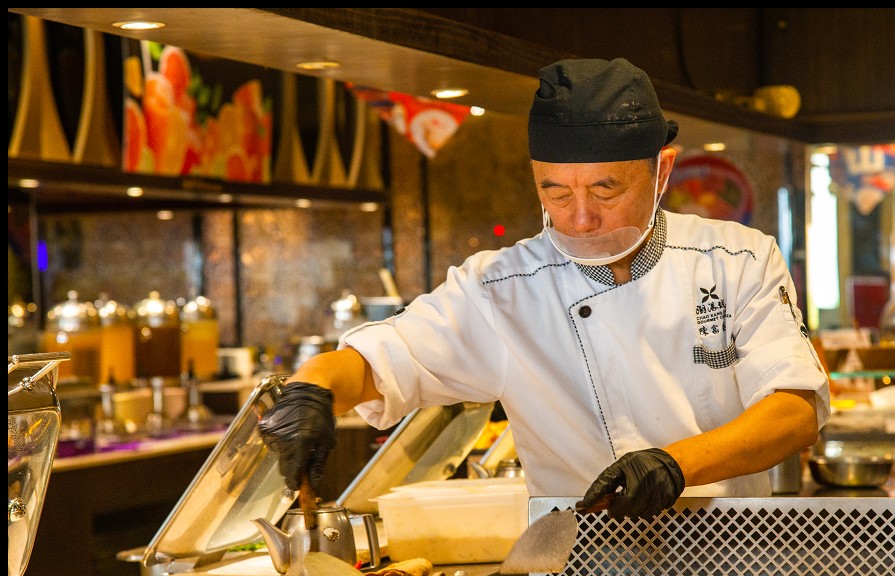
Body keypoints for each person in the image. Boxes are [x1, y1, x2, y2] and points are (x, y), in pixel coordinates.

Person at [258, 57, 830, 520]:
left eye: (606, 190)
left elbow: (795, 408)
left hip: (735, 557)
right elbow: (383, 359)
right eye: (556, 193)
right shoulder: (499, 288)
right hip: (575, 572)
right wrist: (314, 390)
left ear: (662, 171)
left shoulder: (737, 259)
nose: (579, 218)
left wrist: (675, 465)